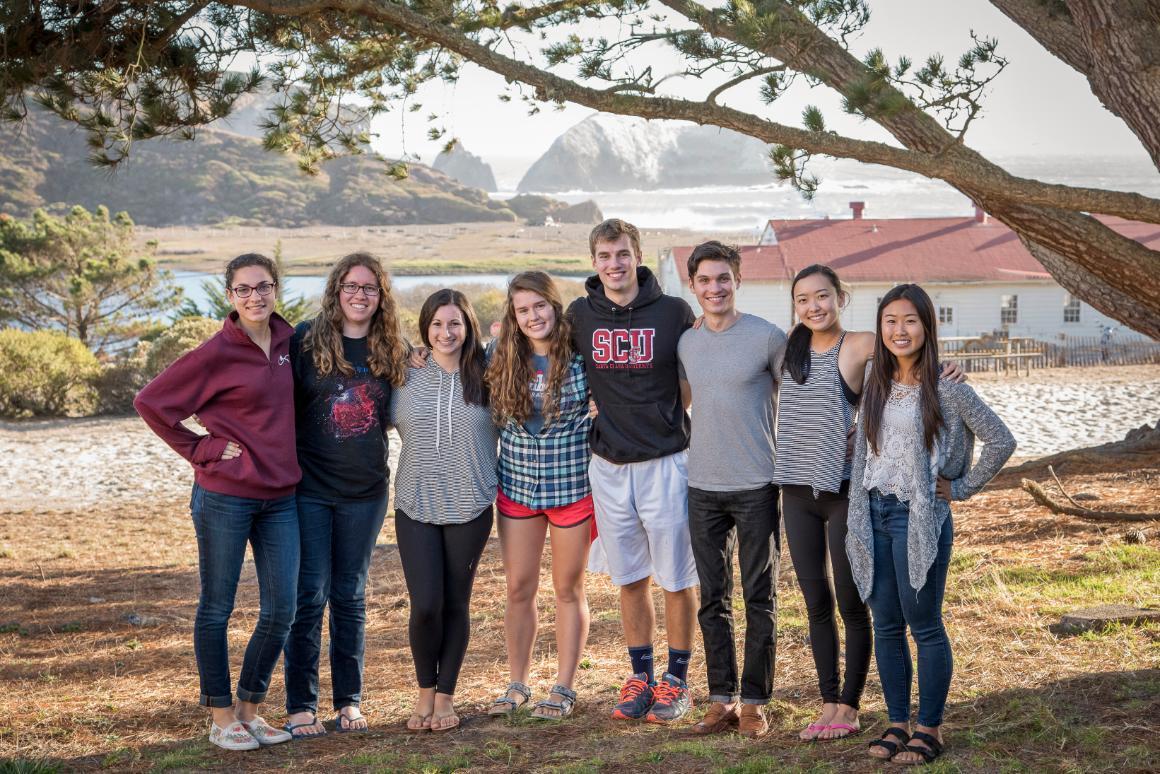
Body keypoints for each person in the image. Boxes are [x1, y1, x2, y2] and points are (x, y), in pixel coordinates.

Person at [773, 265, 964, 741]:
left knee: (853, 601)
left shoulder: (861, 343)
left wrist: (948, 370)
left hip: (844, 491)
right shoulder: (785, 348)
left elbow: (907, 355)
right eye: (803, 299)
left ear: (841, 296)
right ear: (794, 304)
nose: (813, 306)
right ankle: (828, 701)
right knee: (816, 600)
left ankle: (852, 706)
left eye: (823, 296)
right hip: (794, 489)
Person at [134, 253, 299, 751]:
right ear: (230, 296)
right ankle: (220, 713)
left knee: (282, 609)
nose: (255, 296)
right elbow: (151, 402)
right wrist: (201, 448)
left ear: (276, 290)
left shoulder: (293, 343)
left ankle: (250, 708)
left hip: (282, 497)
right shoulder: (215, 353)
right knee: (216, 608)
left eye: (263, 287)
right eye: (244, 289)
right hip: (225, 497)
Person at [847, 284, 1015, 765]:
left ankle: (930, 727)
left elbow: (1001, 440)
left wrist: (959, 488)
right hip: (872, 512)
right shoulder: (875, 381)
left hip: (917, 517)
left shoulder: (949, 386)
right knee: (885, 624)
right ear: (881, 328)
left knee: (924, 625)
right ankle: (897, 722)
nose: (899, 330)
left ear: (927, 326)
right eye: (890, 321)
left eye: (910, 321)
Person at [569, 218, 699, 723]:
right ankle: (641, 675)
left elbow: (688, 382)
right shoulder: (580, 314)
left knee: (675, 575)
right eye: (604, 256)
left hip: (665, 461)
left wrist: (660, 415)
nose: (613, 264)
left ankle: (677, 680)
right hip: (608, 465)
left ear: (637, 255)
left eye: (622, 254)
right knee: (630, 577)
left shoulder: (672, 311)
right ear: (594, 261)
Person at [282, 253, 410, 737]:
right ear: (337, 289)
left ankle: (349, 701)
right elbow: (270, 399)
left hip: (366, 492)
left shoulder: (392, 348)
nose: (360, 295)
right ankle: (301, 706)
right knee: (309, 595)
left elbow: (428, 383)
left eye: (370, 288)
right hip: (310, 489)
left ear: (381, 298)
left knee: (350, 595)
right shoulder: (305, 340)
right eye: (352, 286)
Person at [677, 242, 787, 739]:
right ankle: (720, 699)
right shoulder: (687, 341)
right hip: (701, 485)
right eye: (705, 281)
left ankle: (756, 701)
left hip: (757, 484)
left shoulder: (766, 337)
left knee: (759, 596)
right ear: (693, 285)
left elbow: (805, 392)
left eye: (723, 279)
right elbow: (677, 398)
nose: (714, 288)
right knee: (712, 600)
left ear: (736, 280)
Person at [484, 271, 593, 721]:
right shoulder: (498, 355)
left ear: (554, 305)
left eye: (540, 306)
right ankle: (517, 682)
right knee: (518, 588)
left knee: (568, 588)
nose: (533, 317)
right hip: (518, 488)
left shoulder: (582, 354)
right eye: (523, 309)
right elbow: (446, 357)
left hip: (571, 487)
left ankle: (564, 686)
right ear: (513, 315)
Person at [392, 288, 498, 732]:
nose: (445, 332)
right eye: (436, 323)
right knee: (426, 605)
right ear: (425, 329)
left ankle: (445, 697)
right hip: (415, 502)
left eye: (454, 323)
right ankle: (423, 692)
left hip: (471, 503)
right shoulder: (404, 374)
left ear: (468, 326)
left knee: (456, 602)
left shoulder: (489, 373)